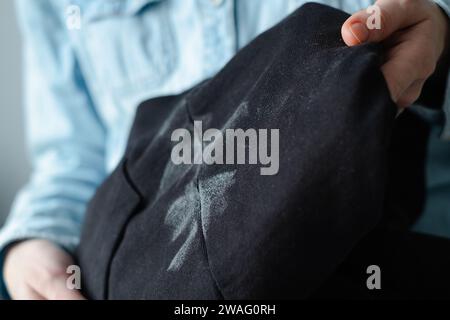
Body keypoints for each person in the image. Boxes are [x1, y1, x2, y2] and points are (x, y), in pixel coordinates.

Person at [1, 0, 449, 300]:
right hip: (139, 265)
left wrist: (441, 41)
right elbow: (72, 158)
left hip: (373, 251)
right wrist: (31, 248)